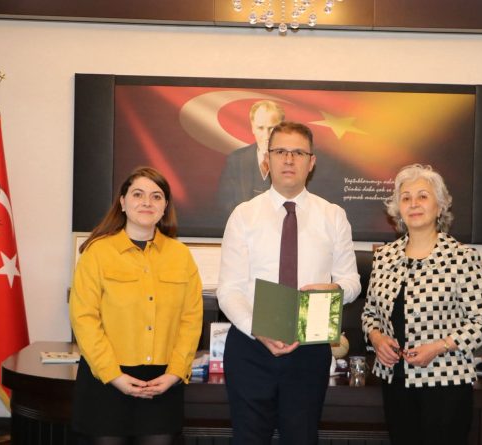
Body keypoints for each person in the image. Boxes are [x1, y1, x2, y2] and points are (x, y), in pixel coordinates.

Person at [217, 121, 361, 445]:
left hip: (309, 347)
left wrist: (335, 290)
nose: (289, 159)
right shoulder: (243, 215)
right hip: (251, 347)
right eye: (280, 151)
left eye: (298, 152)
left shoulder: (333, 215)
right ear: (267, 158)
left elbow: (352, 280)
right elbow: (229, 289)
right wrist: (257, 328)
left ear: (312, 162)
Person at [361, 163, 482, 445]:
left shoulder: (462, 257)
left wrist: (438, 346)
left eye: (423, 196)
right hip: (396, 382)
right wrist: (376, 337)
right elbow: (369, 313)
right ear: (398, 209)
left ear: (440, 205)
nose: (414, 204)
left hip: (445, 383)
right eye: (406, 198)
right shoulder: (384, 256)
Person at [69, 166, 203, 445]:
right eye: (138, 194)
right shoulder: (97, 253)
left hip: (162, 384)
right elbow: (84, 318)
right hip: (106, 381)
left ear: (165, 207)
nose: (147, 202)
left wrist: (175, 373)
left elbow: (191, 320)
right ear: (122, 202)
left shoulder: (181, 256)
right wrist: (113, 375)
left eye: (156, 196)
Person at [216, 100, 285, 222]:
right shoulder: (236, 160)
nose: (266, 135)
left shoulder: (296, 160)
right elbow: (225, 202)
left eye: (272, 128)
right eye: (260, 128)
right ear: (253, 128)